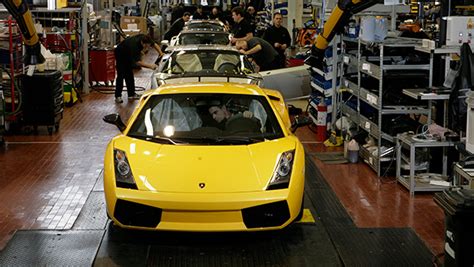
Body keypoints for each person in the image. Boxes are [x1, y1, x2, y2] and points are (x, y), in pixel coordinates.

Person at [114, 34, 163, 103]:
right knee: (121, 75)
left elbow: (154, 44)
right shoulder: (134, 46)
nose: (147, 47)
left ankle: (131, 94)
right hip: (121, 53)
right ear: (142, 43)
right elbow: (137, 63)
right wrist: (150, 66)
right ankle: (118, 96)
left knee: (129, 74)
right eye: (146, 46)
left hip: (128, 51)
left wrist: (161, 54)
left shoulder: (145, 38)